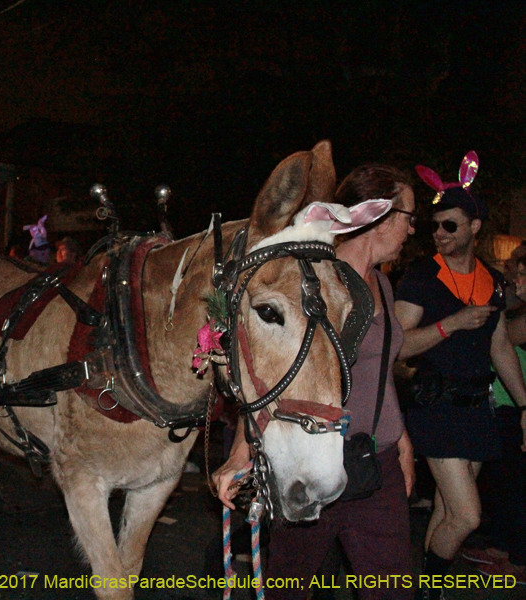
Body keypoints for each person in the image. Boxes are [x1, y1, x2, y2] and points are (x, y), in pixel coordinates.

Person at [212, 164, 418, 600]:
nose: (413, 229)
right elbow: (273, 370)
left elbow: (380, 370)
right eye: (409, 217)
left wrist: (400, 440)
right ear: (378, 216)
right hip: (311, 462)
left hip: (376, 464)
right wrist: (240, 454)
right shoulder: (315, 282)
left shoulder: (383, 285)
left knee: (393, 588)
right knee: (289, 586)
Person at [394, 152, 526, 600]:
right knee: (468, 516)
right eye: (434, 226)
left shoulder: (492, 281)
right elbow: (398, 345)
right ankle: (429, 590)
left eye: (450, 225)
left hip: (476, 409)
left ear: (474, 227)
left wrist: (524, 404)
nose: (439, 233)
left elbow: (500, 347)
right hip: (436, 407)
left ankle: (431, 588)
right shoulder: (422, 276)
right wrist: (451, 324)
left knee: (448, 511)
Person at [460, 253, 526, 584]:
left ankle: (518, 560)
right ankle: (505, 546)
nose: (516, 279)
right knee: (507, 482)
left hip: (515, 407)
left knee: (516, 485)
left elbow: (501, 339)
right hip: (508, 404)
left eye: (522, 273)